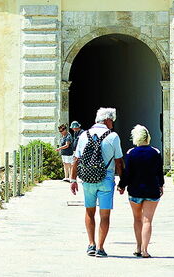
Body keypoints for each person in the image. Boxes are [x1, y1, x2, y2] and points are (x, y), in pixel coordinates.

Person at [70, 107, 123, 258]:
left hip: (87, 178)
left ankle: (91, 244)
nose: (112, 124)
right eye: (112, 121)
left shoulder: (83, 135)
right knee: (105, 215)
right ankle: (100, 247)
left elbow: (76, 160)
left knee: (89, 211)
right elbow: (119, 162)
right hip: (106, 179)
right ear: (107, 120)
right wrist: (122, 182)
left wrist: (73, 180)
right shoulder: (113, 136)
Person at [117, 124, 164, 258]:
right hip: (152, 190)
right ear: (148, 137)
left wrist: (121, 185)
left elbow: (127, 173)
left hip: (135, 190)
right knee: (147, 220)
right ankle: (145, 250)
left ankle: (138, 247)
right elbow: (159, 173)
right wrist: (161, 185)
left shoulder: (131, 153)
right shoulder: (156, 152)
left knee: (137, 219)